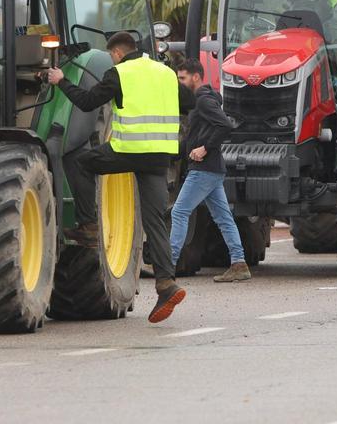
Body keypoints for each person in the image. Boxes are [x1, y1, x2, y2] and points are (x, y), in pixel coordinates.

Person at [46, 31, 194, 323]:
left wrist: (60, 80)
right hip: (159, 156)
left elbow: (88, 102)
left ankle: (89, 224)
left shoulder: (119, 73)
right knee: (155, 222)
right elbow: (189, 103)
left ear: (116, 53)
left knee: (81, 161)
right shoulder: (165, 73)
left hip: (127, 151)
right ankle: (166, 283)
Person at [169, 60, 250, 283]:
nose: (180, 83)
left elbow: (225, 125)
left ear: (196, 77)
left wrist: (204, 148)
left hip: (204, 169)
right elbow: (193, 137)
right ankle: (239, 263)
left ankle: (169, 265)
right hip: (212, 169)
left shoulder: (204, 101)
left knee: (179, 212)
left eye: (182, 78)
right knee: (223, 217)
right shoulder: (200, 102)